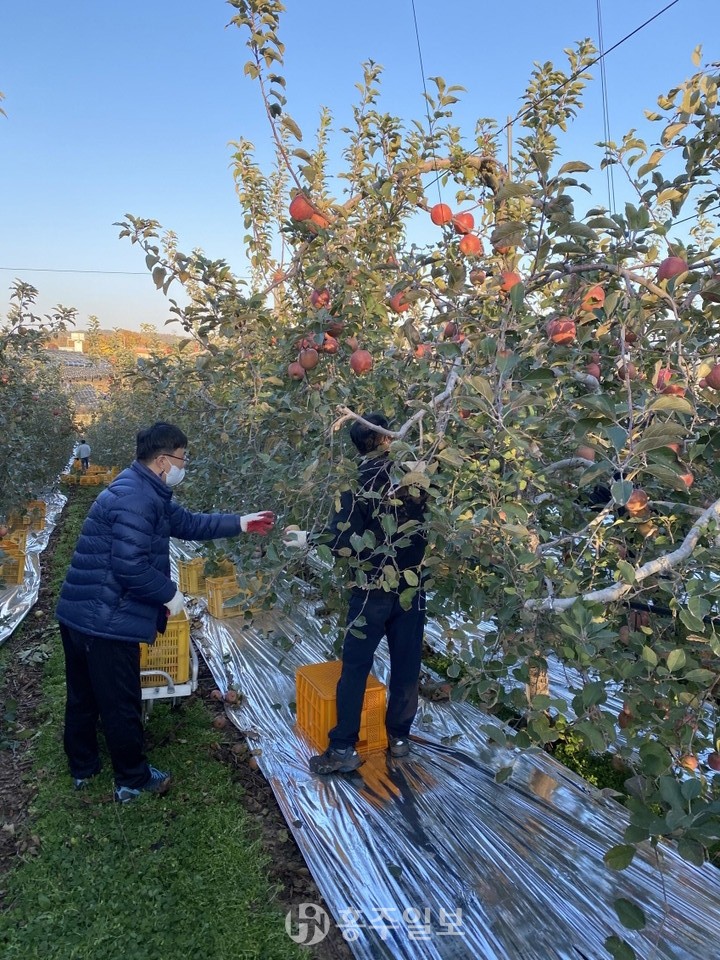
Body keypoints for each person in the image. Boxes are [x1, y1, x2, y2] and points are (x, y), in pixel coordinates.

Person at [56, 421, 275, 802]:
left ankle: (83, 766)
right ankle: (132, 779)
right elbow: (129, 566)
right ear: (162, 460)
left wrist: (241, 522)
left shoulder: (143, 489)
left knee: (84, 694)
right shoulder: (138, 499)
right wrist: (169, 595)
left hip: (81, 612)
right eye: (182, 458)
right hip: (105, 621)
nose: (183, 465)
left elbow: (188, 523)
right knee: (120, 702)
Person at [284, 413, 429, 774]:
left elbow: (344, 541)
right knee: (407, 665)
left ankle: (344, 746)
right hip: (411, 588)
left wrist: (307, 538)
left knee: (355, 668)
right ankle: (399, 738)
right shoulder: (416, 479)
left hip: (370, 592)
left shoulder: (357, 484)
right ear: (387, 439)